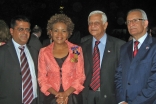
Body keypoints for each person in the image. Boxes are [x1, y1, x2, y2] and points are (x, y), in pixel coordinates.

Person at [38, 14, 85, 104]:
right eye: (56, 31)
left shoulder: (75, 50)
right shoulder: (44, 52)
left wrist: (65, 94)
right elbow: (42, 78)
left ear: (68, 33)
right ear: (50, 32)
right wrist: (58, 95)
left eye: (63, 31)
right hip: (51, 97)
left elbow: (80, 76)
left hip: (72, 96)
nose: (59, 34)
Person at [81, 10, 125, 104]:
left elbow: (124, 75)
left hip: (109, 96)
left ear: (105, 25)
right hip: (87, 95)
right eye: (90, 23)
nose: (92, 26)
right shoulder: (82, 46)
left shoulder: (119, 46)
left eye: (96, 23)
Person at [115, 9, 156, 104]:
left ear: (145, 23)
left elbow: (154, 83)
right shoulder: (124, 48)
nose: (131, 24)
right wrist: (121, 100)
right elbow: (118, 75)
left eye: (135, 20)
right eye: (128, 21)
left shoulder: (154, 46)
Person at [0, 15, 42, 104]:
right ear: (11, 31)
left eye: (27, 29)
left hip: (33, 101)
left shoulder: (34, 52)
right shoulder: (2, 52)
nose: (25, 32)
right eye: (20, 29)